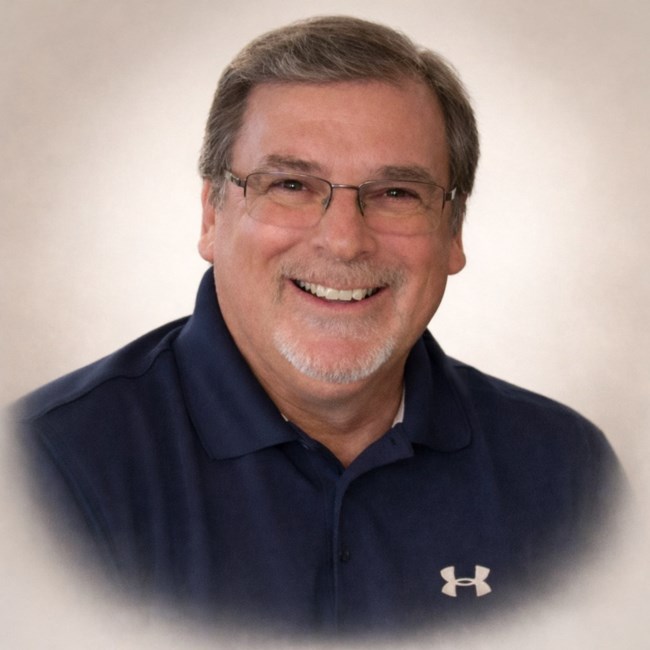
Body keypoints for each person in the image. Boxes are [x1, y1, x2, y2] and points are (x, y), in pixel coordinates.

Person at [14, 15, 623, 637]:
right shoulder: (43, 472)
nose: (344, 240)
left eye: (396, 193)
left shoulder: (567, 474)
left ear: (454, 232)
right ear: (212, 216)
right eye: (291, 185)